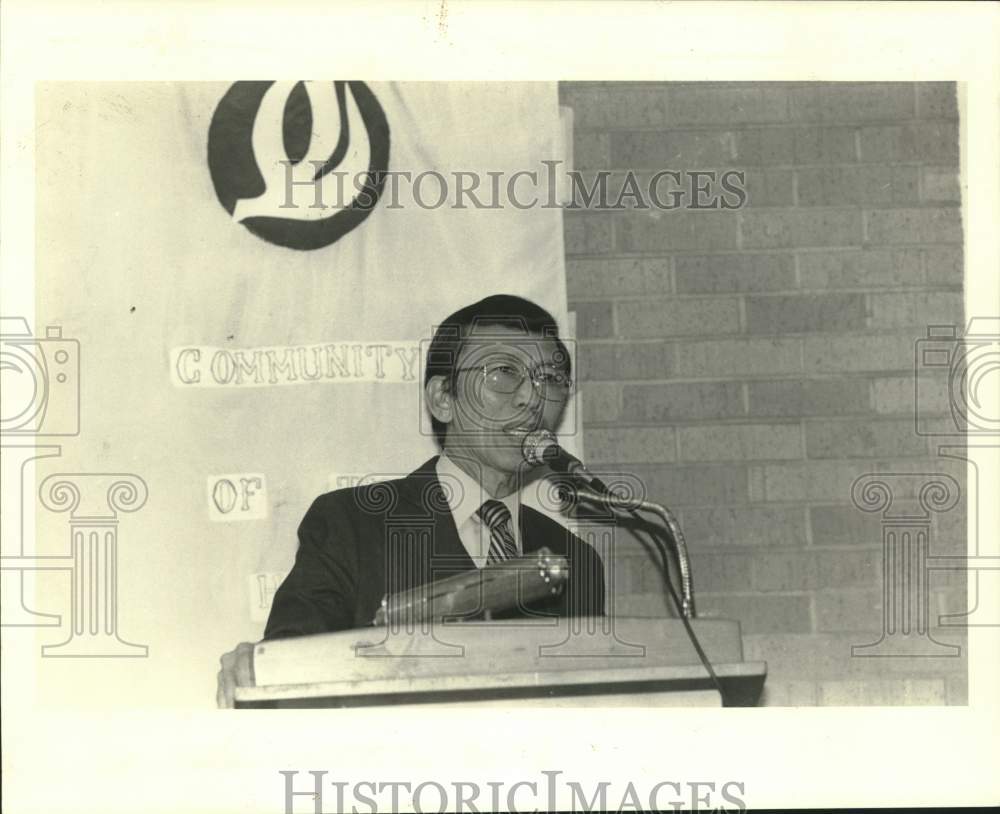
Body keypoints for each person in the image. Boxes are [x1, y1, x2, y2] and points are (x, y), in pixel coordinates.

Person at [216, 294, 606, 707]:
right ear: (442, 398)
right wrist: (261, 668)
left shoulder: (576, 560)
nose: (532, 398)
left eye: (551, 378)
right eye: (505, 372)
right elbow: (292, 677)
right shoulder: (352, 524)